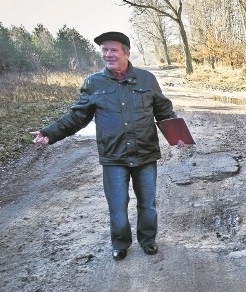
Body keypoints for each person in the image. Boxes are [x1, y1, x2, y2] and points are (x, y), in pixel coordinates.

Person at [31, 31, 177, 261]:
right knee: (117, 206)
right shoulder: (93, 83)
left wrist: (179, 137)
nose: (108, 54)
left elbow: (164, 111)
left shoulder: (147, 79)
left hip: (145, 153)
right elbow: (77, 117)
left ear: (126, 53)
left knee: (147, 204)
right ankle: (120, 243)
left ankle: (148, 240)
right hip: (113, 156)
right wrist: (50, 133)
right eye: (104, 50)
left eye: (113, 50)